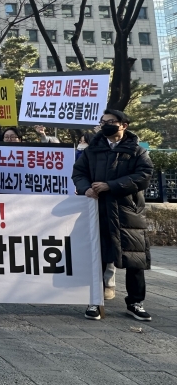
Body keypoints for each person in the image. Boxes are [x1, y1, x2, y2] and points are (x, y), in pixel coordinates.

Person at [73, 109, 154, 321]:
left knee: (134, 260)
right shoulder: (93, 150)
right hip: (98, 211)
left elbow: (144, 176)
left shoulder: (137, 151)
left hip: (128, 213)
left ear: (123, 125)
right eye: (103, 122)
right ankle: (95, 301)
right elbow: (78, 173)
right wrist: (85, 188)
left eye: (111, 122)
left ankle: (135, 303)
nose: (106, 125)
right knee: (96, 258)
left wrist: (111, 185)